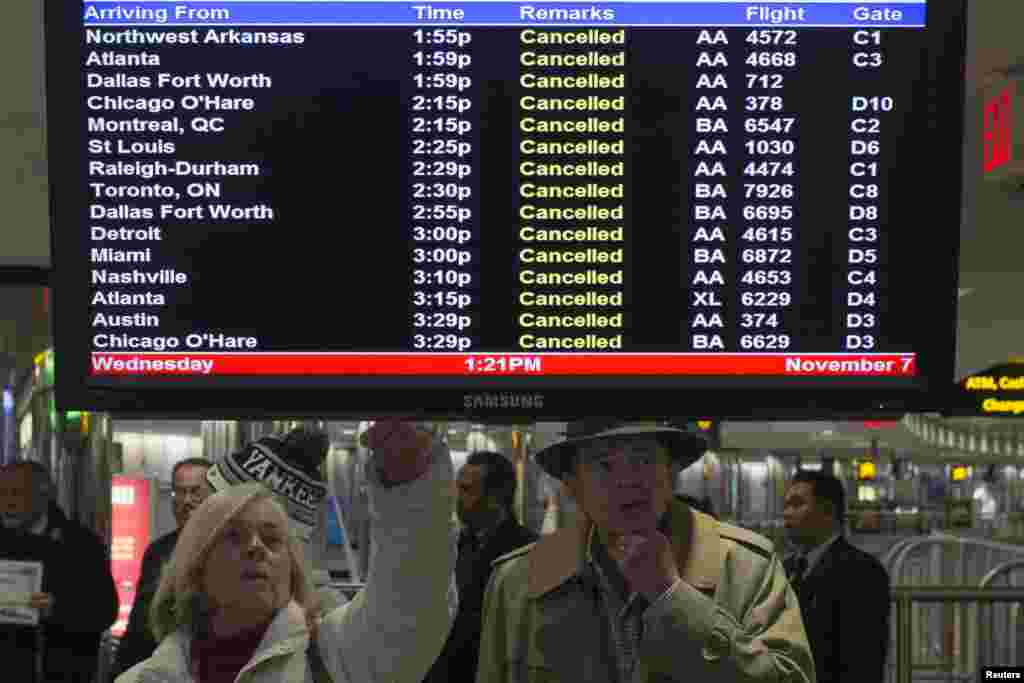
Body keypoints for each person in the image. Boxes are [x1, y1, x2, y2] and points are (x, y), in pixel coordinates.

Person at [115, 419, 456, 683]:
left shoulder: (333, 659)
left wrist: (411, 493)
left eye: (272, 538)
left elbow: (409, 606)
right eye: (233, 536)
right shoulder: (145, 678)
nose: (256, 548)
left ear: (293, 569)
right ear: (194, 564)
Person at [477, 419, 814, 683]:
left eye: (644, 460)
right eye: (604, 465)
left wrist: (673, 598)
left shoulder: (744, 566)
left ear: (672, 472)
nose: (627, 480)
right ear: (572, 483)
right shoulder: (519, 579)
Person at [423, 451, 538, 683]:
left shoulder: (528, 552)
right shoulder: (451, 546)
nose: (457, 498)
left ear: (496, 497)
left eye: (466, 490)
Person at [0, 460, 120, 682]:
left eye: (16, 493)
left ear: (43, 495)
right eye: (2, 494)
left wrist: (57, 608)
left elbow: (105, 611)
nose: (7, 503)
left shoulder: (80, 544)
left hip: (60, 671)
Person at [782, 470, 890, 683]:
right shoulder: (784, 570)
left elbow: (863, 662)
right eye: (786, 506)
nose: (787, 513)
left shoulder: (861, 572)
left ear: (828, 511)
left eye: (797, 505)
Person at [114, 456, 214, 677]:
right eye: (179, 491)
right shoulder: (158, 551)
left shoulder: (230, 550)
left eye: (196, 491)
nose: (186, 500)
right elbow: (139, 621)